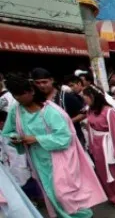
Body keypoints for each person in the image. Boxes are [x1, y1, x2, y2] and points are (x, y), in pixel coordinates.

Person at [2, 74, 106, 217]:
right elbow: (8, 131)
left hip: (61, 159)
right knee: (52, 195)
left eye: (20, 94)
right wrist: (15, 138)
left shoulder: (51, 111)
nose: (17, 98)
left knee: (66, 195)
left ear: (31, 91)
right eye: (14, 95)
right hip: (39, 161)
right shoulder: (16, 110)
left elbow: (65, 137)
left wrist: (37, 139)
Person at [31, 68, 88, 149]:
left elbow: (84, 113)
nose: (41, 85)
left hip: (72, 139)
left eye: (44, 82)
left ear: (51, 80)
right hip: (49, 142)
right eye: (38, 83)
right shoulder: (36, 100)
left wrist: (68, 121)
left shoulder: (66, 96)